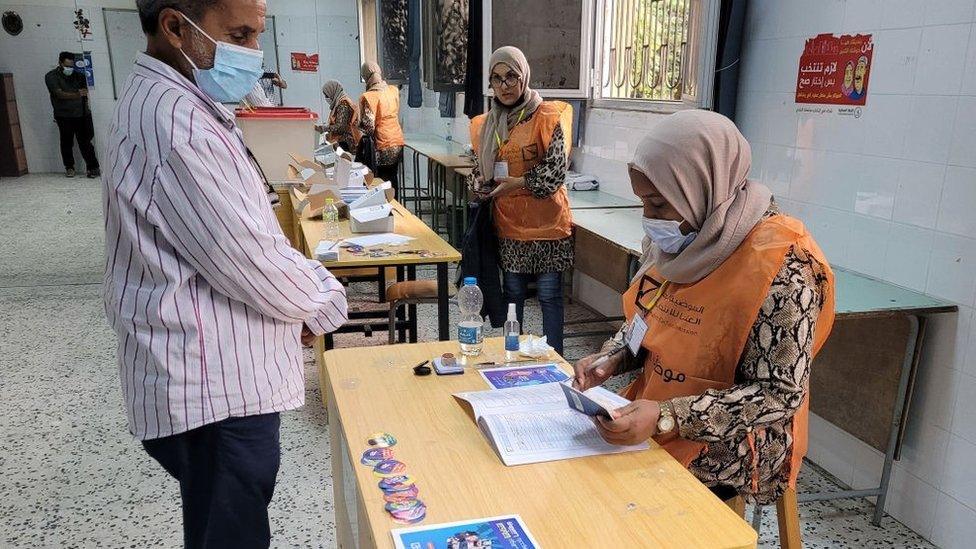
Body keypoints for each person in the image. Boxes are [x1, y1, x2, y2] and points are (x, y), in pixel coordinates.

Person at [105, 1, 348, 547]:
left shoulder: (183, 102)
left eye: (257, 34)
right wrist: (323, 299)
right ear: (174, 27)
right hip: (215, 387)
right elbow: (247, 258)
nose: (252, 53)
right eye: (237, 34)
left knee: (219, 526)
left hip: (214, 376)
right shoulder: (173, 122)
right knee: (230, 532)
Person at [573, 110, 835, 505]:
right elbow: (652, 319)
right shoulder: (684, 245)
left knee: (616, 487)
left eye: (659, 205)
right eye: (643, 203)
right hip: (663, 401)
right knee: (582, 467)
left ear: (701, 187)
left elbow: (778, 395)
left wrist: (668, 416)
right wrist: (613, 358)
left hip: (740, 435)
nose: (649, 219)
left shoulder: (783, 267)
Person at [468, 46, 574, 356]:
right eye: (496, 79)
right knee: (512, 293)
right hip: (510, 226)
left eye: (511, 77)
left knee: (549, 295)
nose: (504, 86)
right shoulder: (484, 125)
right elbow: (476, 170)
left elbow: (554, 174)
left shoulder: (549, 116)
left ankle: (555, 364)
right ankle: (514, 357)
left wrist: (516, 184)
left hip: (549, 226)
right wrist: (478, 185)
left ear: (524, 76)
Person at [44, 51, 100, 178]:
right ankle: (69, 167)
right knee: (66, 142)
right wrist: (77, 94)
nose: (69, 69)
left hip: (81, 114)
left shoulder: (79, 76)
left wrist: (85, 104)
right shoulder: (51, 76)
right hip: (63, 115)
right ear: (60, 63)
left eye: (71, 66)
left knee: (85, 142)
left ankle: (93, 167)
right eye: (67, 66)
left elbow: (85, 94)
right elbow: (59, 94)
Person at [358, 61, 405, 191]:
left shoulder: (369, 96)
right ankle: (396, 206)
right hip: (397, 140)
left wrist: (358, 125)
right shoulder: (393, 90)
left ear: (366, 76)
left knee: (382, 179)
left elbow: (368, 127)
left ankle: (385, 207)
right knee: (393, 176)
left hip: (382, 143)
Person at [316, 80, 361, 156]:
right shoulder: (339, 103)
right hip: (343, 142)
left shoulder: (343, 104)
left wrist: (324, 128)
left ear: (332, 92)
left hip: (347, 143)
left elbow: (341, 127)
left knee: (345, 164)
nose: (326, 98)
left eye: (327, 95)